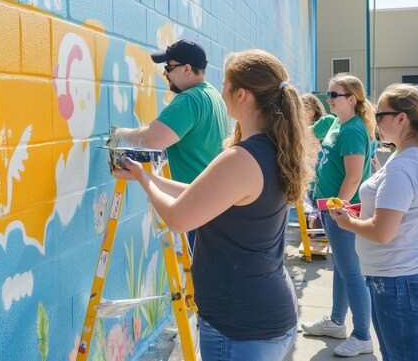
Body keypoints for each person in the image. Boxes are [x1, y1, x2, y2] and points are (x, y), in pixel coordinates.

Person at [114, 49, 313, 361]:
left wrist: (146, 180)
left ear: (243, 95)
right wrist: (147, 177)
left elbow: (179, 219)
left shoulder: (241, 158)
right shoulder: (270, 150)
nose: (220, 93)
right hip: (263, 314)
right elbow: (200, 194)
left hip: (240, 325)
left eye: (225, 85)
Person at [330, 83, 418, 361]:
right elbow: (402, 210)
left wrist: (347, 222)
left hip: (399, 282)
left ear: (401, 118)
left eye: (379, 114)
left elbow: (383, 232)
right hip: (403, 279)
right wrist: (367, 209)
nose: (375, 121)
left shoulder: (403, 165)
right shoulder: (416, 156)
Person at [108, 39, 229, 250]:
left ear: (187, 69)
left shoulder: (190, 100)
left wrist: (120, 136)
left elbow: (152, 140)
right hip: (211, 204)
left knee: (202, 276)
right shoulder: (213, 97)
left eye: (169, 68)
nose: (165, 74)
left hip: (195, 207)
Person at [301, 73, 376, 357]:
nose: (328, 99)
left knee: (352, 272)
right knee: (341, 268)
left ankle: (362, 335)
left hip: (344, 211)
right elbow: (310, 132)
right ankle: (335, 321)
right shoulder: (335, 123)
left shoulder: (353, 130)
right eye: (328, 94)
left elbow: (354, 177)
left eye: (334, 95)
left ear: (352, 99)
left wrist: (338, 209)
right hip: (331, 208)